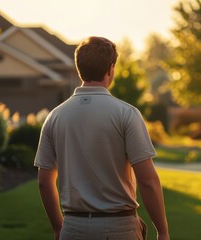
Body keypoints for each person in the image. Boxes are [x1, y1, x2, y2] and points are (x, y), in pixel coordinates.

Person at [34, 36, 170, 240]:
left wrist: (58, 228)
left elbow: (45, 182)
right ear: (111, 68)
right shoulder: (126, 114)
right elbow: (148, 180)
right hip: (120, 228)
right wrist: (163, 231)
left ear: (79, 68)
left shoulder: (55, 117)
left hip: (73, 227)